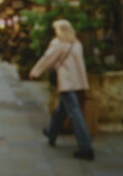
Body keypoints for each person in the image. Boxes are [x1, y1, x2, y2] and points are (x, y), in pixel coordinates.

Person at [29, 19, 94, 160]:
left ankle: (86, 147)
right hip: (77, 82)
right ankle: (51, 132)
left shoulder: (59, 44)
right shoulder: (77, 44)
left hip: (66, 83)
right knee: (61, 109)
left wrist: (35, 72)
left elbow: (48, 59)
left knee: (74, 112)